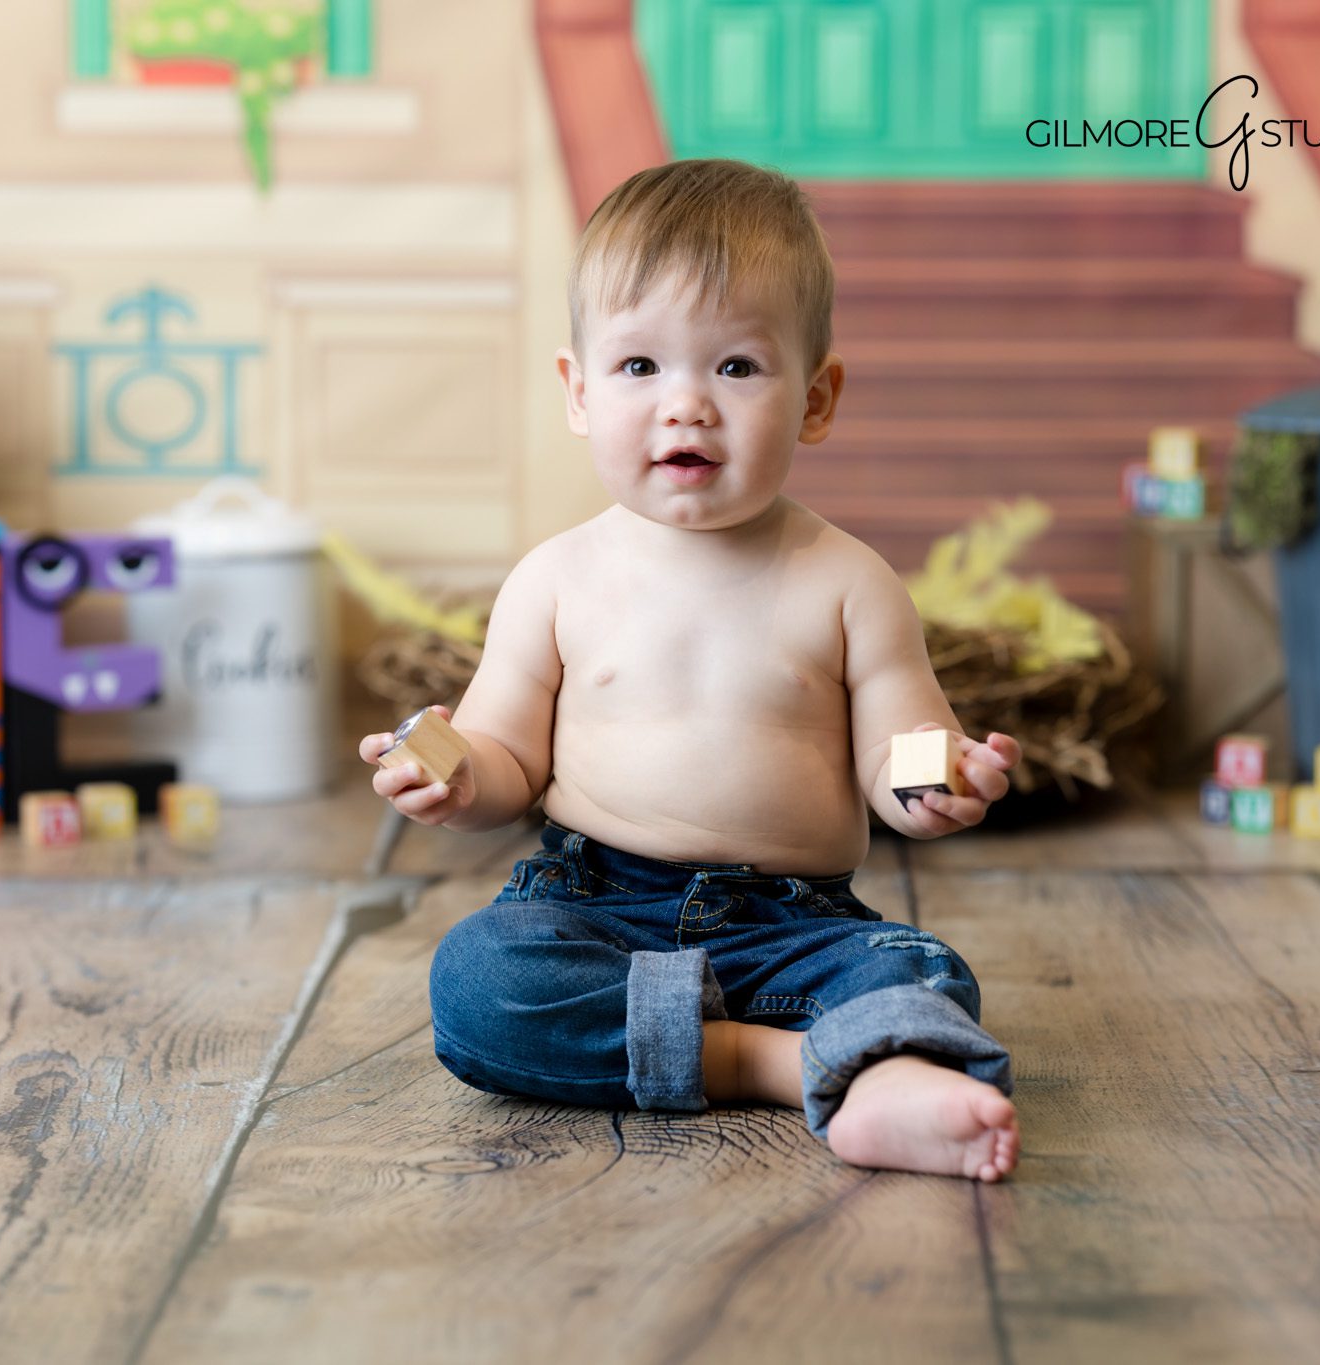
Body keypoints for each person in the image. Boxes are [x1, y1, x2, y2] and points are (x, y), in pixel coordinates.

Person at [358, 159, 1022, 1182]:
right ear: (577, 393)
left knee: (919, 970)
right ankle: (789, 1066)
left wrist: (937, 784)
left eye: (735, 368)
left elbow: (902, 748)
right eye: (638, 369)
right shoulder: (553, 580)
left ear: (816, 397)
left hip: (793, 927)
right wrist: (449, 777)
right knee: (479, 982)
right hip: (593, 908)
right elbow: (502, 760)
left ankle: (855, 1058)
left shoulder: (848, 582)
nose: (686, 408)